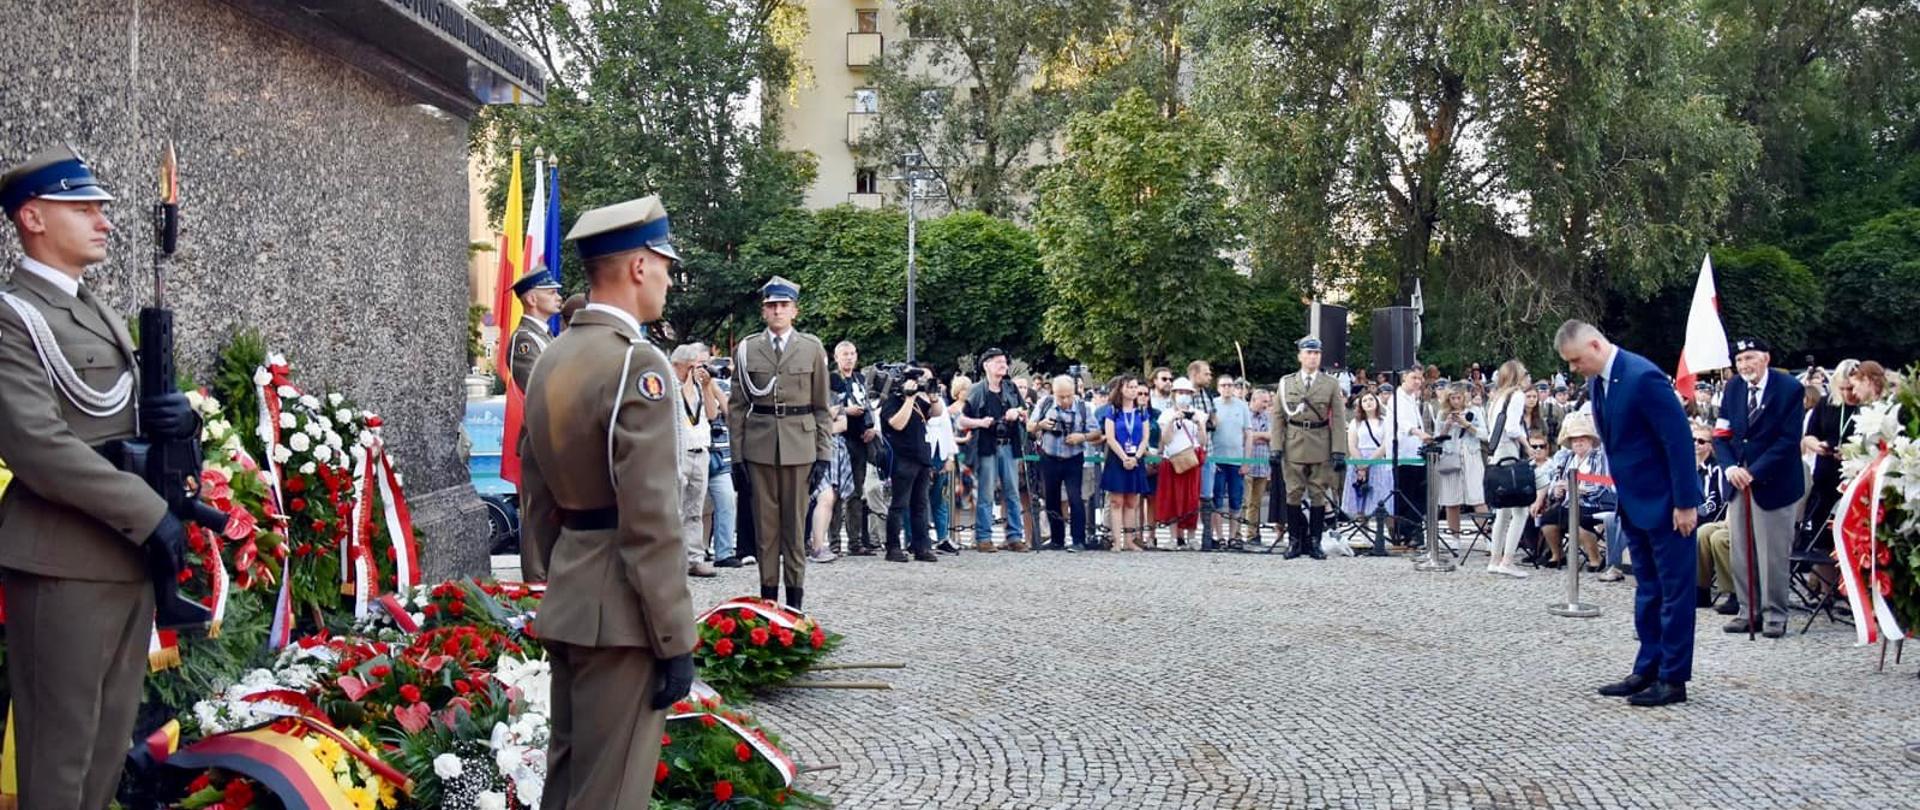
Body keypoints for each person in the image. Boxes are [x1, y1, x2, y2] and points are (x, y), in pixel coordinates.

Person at [0, 144, 207, 808]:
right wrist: (149, 514)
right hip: (63, 563)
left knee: (103, 753)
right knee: (59, 761)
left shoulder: (90, 308)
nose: (104, 221)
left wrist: (181, 424)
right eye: (83, 208)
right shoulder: (12, 316)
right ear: (33, 217)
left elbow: (123, 421)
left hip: (124, 559)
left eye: (102, 208)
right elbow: (38, 445)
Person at [520, 195, 696, 806]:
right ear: (639, 266)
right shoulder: (636, 364)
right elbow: (651, 519)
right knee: (611, 795)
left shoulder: (554, 356)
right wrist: (675, 637)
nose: (669, 280)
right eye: (665, 265)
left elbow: (537, 494)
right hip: (623, 614)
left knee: (568, 786)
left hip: (572, 595)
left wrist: (555, 575)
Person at [1557, 320, 1702, 707]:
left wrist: (1685, 502)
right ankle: (1647, 668)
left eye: (1576, 360)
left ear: (1594, 345)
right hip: (1634, 503)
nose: (1574, 368)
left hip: (1668, 505)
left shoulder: (1642, 377)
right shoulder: (1599, 382)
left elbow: (1678, 440)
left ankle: (1673, 677)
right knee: (1648, 590)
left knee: (1674, 593)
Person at [729, 275, 833, 609]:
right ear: (763, 311)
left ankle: (795, 606)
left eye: (783, 305)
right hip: (759, 448)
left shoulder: (812, 348)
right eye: (771, 305)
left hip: (800, 447)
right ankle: (769, 604)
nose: (777, 311)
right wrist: (736, 458)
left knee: (795, 531)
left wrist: (824, 455)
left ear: (795, 311)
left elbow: (821, 407)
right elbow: (736, 407)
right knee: (766, 531)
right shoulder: (747, 349)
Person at [1713, 337, 1808, 639]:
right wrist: (1729, 467)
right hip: (1737, 480)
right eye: (1739, 360)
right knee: (1741, 551)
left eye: (1750, 358)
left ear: (1765, 358)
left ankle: (1775, 614)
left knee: (1772, 553)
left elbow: (1788, 440)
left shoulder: (1789, 388)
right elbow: (1721, 433)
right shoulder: (1733, 387)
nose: (1744, 365)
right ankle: (1747, 610)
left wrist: (1753, 472)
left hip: (1774, 481)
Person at [1276, 337, 1348, 559]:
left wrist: (1339, 450)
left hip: (1320, 442)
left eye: (1316, 353)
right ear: (1300, 356)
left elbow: (1338, 418)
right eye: (1308, 353)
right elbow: (1278, 417)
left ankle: (1315, 542)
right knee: (1293, 493)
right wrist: (1275, 447)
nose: (1313, 357)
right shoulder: (1286, 383)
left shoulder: (1330, 383)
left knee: (1318, 494)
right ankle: (1295, 541)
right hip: (1294, 442)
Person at [957, 348, 1028, 552]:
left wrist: (1017, 412)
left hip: (1009, 445)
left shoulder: (1011, 388)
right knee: (986, 493)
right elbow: (962, 420)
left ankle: (1015, 536)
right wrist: (980, 422)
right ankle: (984, 538)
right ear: (986, 365)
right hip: (987, 446)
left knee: (1012, 492)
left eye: (1004, 361)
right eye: (998, 362)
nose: (1003, 365)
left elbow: (1025, 410)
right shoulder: (977, 390)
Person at [1532, 413, 1615, 573]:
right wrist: (1557, 490)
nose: (1578, 442)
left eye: (1582, 439)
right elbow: (1556, 481)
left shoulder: (1599, 458)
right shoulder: (1568, 459)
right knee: (1548, 518)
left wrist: (1575, 487)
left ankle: (1595, 558)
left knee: (1580, 519)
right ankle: (1558, 554)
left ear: (1590, 440)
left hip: (1595, 503)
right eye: (1575, 440)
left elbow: (1603, 483)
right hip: (1569, 503)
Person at [670, 343, 723, 577]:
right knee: (675, 508)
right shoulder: (670, 387)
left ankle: (694, 558)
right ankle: (673, 559)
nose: (697, 370)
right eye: (692, 366)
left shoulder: (701, 388)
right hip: (678, 453)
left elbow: (712, 414)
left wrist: (707, 386)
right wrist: (687, 385)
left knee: (695, 510)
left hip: (701, 451)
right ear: (678, 366)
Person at [1029, 375, 1097, 552]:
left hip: (1073, 458)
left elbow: (1097, 432)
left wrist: (1081, 437)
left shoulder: (1083, 407)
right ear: (1054, 393)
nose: (1065, 400)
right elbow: (1029, 426)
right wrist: (1041, 425)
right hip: (1049, 456)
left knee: (1075, 498)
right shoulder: (1045, 403)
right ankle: (1057, 539)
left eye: (1068, 396)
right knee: (1051, 498)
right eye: (1061, 397)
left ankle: (1078, 540)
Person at [885, 369, 946, 561]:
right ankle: (893, 547)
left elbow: (936, 413)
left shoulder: (920, 402)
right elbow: (897, 424)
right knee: (899, 504)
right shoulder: (892, 401)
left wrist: (933, 398)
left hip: (921, 458)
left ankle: (922, 547)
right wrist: (909, 398)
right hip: (903, 458)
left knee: (920, 505)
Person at [828, 341, 879, 556]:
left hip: (860, 438)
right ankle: (834, 541)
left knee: (857, 492)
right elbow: (825, 408)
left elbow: (869, 405)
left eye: (852, 354)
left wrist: (872, 427)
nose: (849, 358)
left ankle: (855, 541)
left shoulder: (860, 379)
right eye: (845, 354)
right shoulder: (831, 380)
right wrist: (845, 410)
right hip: (839, 438)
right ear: (836, 357)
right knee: (836, 492)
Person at [1484, 360, 1532, 578]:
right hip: (1509, 450)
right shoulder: (1517, 395)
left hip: (1496, 452)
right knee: (1520, 510)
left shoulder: (1497, 397)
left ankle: (1495, 559)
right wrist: (1527, 446)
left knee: (1503, 510)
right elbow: (1512, 428)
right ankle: (1508, 560)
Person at [1156, 376, 1209, 547]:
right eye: (1180, 392)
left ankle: (1192, 537)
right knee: (1172, 499)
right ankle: (1173, 537)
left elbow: (1203, 441)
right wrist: (1173, 420)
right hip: (1172, 460)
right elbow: (1166, 439)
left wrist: (1199, 424)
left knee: (1191, 500)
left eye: (1187, 393)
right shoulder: (1166, 414)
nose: (1184, 396)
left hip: (1191, 459)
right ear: (1174, 394)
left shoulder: (1199, 414)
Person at [1434, 382, 1488, 541]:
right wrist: (1447, 426)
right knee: (1451, 500)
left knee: (1478, 498)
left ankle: (1487, 537)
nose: (1456, 401)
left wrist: (1466, 424)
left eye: (1459, 398)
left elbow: (1485, 435)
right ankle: (1455, 539)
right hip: (1450, 457)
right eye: (1453, 398)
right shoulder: (1442, 413)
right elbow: (1437, 438)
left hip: (1471, 456)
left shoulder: (1475, 411)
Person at [1386, 367, 1433, 547]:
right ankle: (1407, 532)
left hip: (1416, 453)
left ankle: (1415, 530)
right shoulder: (1396, 399)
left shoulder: (1413, 399)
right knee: (1405, 495)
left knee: (1418, 495)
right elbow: (1404, 424)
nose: (1418, 382)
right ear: (1404, 377)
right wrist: (1419, 433)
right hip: (1403, 454)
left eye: (1420, 378)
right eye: (1414, 378)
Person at [1689, 422, 1734, 610]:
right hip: (1695, 515)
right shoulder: (1689, 466)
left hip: (1711, 515)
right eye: (1693, 440)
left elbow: (1714, 501)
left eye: (1701, 441)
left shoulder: (1715, 469)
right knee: (1701, 533)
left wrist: (1693, 513)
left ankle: (1734, 593)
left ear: (1710, 446)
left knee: (1712, 535)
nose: (1696, 444)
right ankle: (1700, 589)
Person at [1209, 375, 1253, 548]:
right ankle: (1219, 536)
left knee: (1236, 499)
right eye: (1223, 385)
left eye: (1229, 385)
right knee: (1217, 499)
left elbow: (1248, 433)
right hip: (1217, 458)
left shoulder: (1242, 406)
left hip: (1236, 459)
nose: (1227, 388)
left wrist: (1246, 460)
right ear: (1218, 388)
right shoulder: (1212, 405)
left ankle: (1233, 536)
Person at [507, 269, 563, 390]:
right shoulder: (524, 339)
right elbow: (537, 387)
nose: (559, 298)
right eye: (552, 293)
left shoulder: (544, 334)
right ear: (532, 300)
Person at [1343, 391, 1393, 522]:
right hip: (1358, 461)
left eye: (1371, 399)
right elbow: (1352, 445)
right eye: (1364, 400)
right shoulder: (1355, 422)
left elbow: (1385, 445)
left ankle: (1388, 530)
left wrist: (1368, 463)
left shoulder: (1385, 421)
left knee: (1382, 501)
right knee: (1361, 501)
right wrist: (1361, 466)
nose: (1368, 403)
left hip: (1378, 462)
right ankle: (1363, 529)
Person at [1245, 386, 1275, 546]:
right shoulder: (1245, 415)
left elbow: (1272, 436)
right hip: (1247, 464)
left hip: (1263, 464)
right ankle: (1243, 533)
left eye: (1268, 402)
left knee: (1256, 503)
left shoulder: (1268, 417)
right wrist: (1259, 436)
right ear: (1254, 400)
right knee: (1246, 501)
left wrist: (1254, 436)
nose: (1266, 405)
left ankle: (1253, 533)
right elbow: (1244, 436)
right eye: (1264, 402)